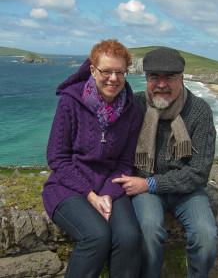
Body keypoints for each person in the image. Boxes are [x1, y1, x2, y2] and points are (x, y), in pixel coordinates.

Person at [113, 47, 218, 278]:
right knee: (148, 231)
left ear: (181, 78)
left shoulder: (199, 110)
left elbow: (199, 172)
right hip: (146, 190)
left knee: (206, 236)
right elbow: (101, 97)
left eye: (169, 77)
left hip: (186, 190)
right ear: (146, 79)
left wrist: (150, 184)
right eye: (154, 77)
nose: (161, 84)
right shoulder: (135, 105)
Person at [42, 39, 143, 278]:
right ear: (92, 70)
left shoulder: (132, 111)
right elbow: (57, 158)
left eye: (120, 72)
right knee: (96, 236)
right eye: (106, 71)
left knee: (129, 238)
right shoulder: (70, 102)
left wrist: (107, 193)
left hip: (110, 184)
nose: (113, 78)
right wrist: (90, 195)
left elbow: (125, 162)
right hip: (68, 185)